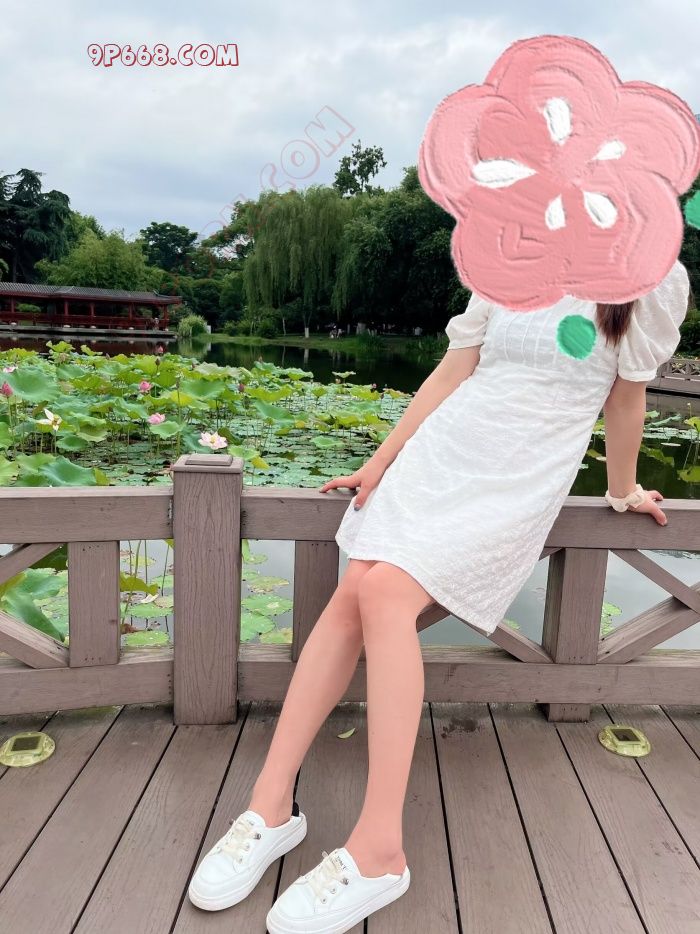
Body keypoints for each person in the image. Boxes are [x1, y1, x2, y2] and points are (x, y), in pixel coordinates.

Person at [186, 257, 690, 932]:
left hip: (519, 475)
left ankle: (380, 851)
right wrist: (381, 460)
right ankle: (270, 807)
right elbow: (455, 369)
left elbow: (627, 398)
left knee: (385, 593)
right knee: (356, 590)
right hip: (446, 451)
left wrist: (621, 490)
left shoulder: (650, 277)